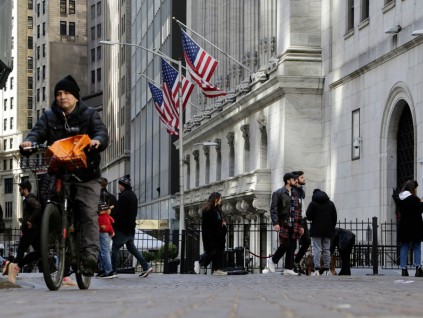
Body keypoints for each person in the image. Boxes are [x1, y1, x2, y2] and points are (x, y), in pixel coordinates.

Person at [19, 75, 109, 283]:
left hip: (87, 175)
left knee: (87, 213)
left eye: (67, 93)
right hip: (59, 172)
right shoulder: (49, 116)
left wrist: (97, 141)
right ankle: (55, 242)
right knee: (48, 204)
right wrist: (28, 143)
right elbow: (37, 133)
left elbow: (101, 132)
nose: (62, 97)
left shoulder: (89, 114)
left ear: (76, 96)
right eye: (58, 94)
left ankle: (89, 258)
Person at [111, 175, 153, 278]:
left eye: (119, 185)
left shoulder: (124, 196)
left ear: (122, 185)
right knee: (132, 248)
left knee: (115, 248)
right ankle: (146, 266)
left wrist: (113, 221)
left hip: (122, 228)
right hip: (130, 227)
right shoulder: (133, 195)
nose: (118, 187)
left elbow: (119, 213)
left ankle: (113, 271)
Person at [5, 181, 42, 284]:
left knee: (21, 249)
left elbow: (38, 208)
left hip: (30, 230)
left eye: (20, 189)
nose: (19, 191)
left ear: (25, 189)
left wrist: (30, 220)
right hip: (31, 230)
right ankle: (16, 266)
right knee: (39, 252)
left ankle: (14, 267)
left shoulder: (30, 199)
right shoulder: (28, 199)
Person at [268, 173, 304, 276]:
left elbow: (298, 210)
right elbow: (273, 209)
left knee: (293, 245)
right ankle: (273, 260)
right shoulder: (278, 193)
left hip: (295, 223)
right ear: (288, 181)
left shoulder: (295, 194)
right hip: (284, 222)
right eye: (294, 179)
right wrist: (275, 223)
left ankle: (289, 268)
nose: (296, 181)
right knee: (285, 244)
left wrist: (300, 225)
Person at [195, 192, 228, 276]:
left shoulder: (217, 209)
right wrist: (221, 224)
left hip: (217, 235)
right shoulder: (208, 210)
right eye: (220, 198)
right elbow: (212, 224)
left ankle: (217, 269)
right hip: (211, 236)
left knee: (219, 252)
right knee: (213, 251)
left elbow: (219, 222)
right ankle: (200, 263)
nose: (221, 200)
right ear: (216, 199)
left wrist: (222, 224)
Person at [306, 189, 337, 275]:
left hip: (316, 230)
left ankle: (316, 269)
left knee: (317, 249)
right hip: (328, 230)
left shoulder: (313, 204)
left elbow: (308, 216)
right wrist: (331, 227)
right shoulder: (331, 203)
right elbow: (334, 217)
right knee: (326, 249)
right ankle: (327, 269)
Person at [397, 180, 423, 277]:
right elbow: (419, 210)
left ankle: (403, 269)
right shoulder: (414, 199)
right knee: (417, 247)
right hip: (415, 226)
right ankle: (418, 269)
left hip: (404, 226)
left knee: (404, 247)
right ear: (412, 188)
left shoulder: (400, 198)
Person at [291, 171, 311, 275]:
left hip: (303, 219)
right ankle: (291, 265)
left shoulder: (300, 191)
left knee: (306, 241)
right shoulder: (293, 191)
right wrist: (300, 224)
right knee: (292, 244)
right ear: (297, 180)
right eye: (302, 177)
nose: (304, 179)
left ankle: (296, 262)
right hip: (298, 220)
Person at [97, 201, 116, 278]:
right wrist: (111, 233)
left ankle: (108, 270)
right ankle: (104, 269)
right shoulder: (105, 216)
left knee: (104, 251)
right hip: (105, 234)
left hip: (103, 233)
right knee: (104, 251)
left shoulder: (102, 217)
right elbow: (110, 224)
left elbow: (108, 226)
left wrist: (112, 232)